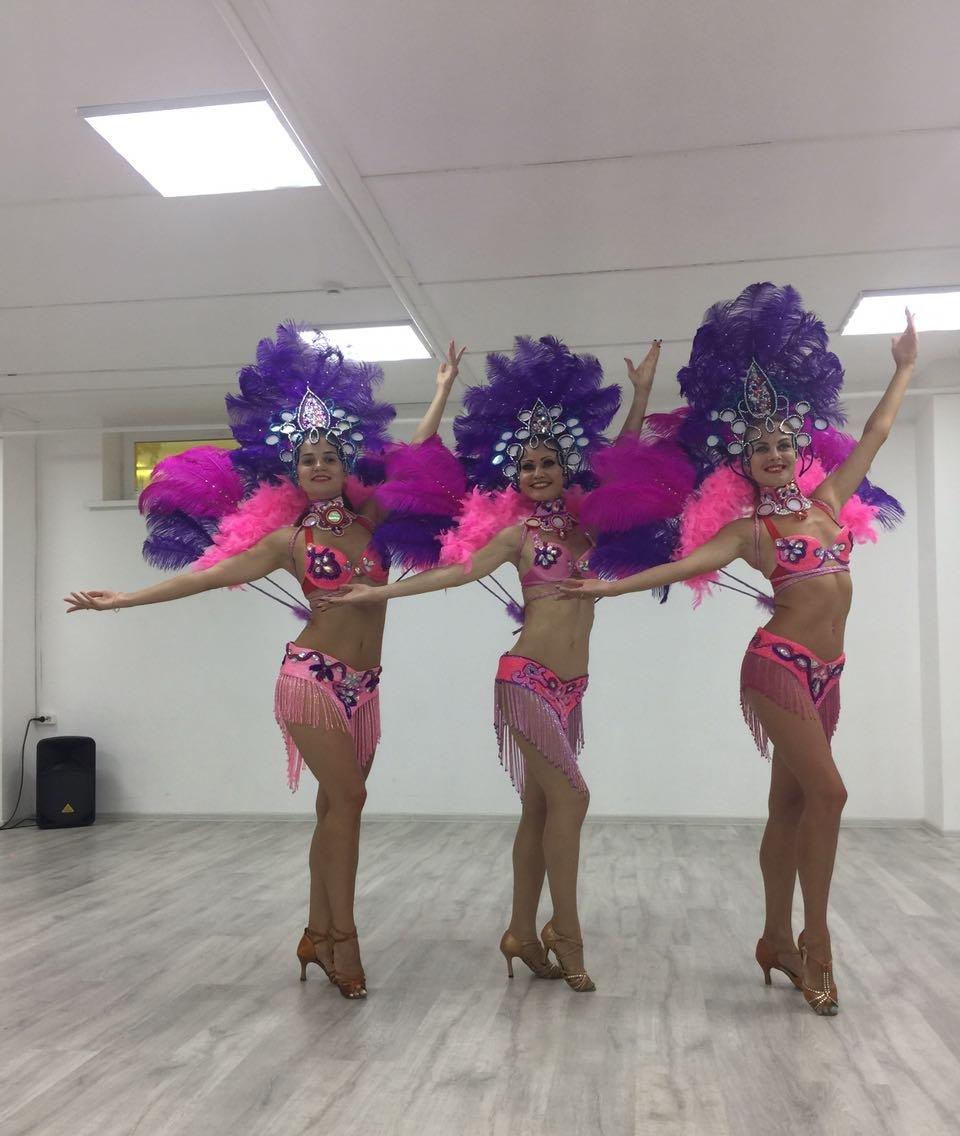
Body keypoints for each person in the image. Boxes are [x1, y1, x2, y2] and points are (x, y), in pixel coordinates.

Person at [66, 325, 465, 1000]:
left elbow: (415, 454)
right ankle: (343, 939)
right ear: (294, 471)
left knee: (334, 809)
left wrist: (441, 392)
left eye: (329, 456)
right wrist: (125, 600)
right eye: (307, 458)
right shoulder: (289, 540)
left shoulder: (374, 521)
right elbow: (205, 575)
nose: (318, 465)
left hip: (365, 687)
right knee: (350, 800)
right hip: (311, 678)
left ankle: (315, 932)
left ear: (346, 464)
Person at [562, 284, 916, 1016]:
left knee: (790, 804)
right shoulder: (750, 532)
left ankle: (773, 939)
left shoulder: (828, 505)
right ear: (744, 461)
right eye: (761, 448)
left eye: (784, 443)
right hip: (777, 666)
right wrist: (604, 587)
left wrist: (905, 367)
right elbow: (680, 566)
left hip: (828, 674)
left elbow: (877, 433)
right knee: (831, 794)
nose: (775, 454)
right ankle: (816, 944)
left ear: (799, 449)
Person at [323, 335, 690, 991]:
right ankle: (566, 932)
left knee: (541, 810)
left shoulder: (588, 527)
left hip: (572, 687)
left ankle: (520, 930)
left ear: (567, 467)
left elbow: (621, 465)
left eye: (548, 462)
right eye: (526, 466)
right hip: (524, 680)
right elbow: (456, 572)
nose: (538, 473)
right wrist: (378, 592)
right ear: (512, 476)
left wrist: (639, 397)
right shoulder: (517, 535)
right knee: (573, 797)